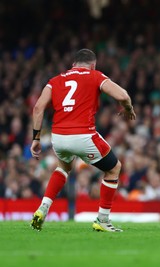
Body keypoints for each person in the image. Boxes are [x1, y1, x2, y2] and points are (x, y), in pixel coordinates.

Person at [30, 48, 136, 232]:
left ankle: (42, 209)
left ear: (73, 65)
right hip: (83, 135)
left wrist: (36, 138)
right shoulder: (95, 75)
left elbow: (38, 107)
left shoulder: (55, 80)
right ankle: (102, 220)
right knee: (114, 168)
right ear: (93, 65)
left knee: (64, 167)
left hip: (59, 137)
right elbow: (123, 95)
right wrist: (128, 108)